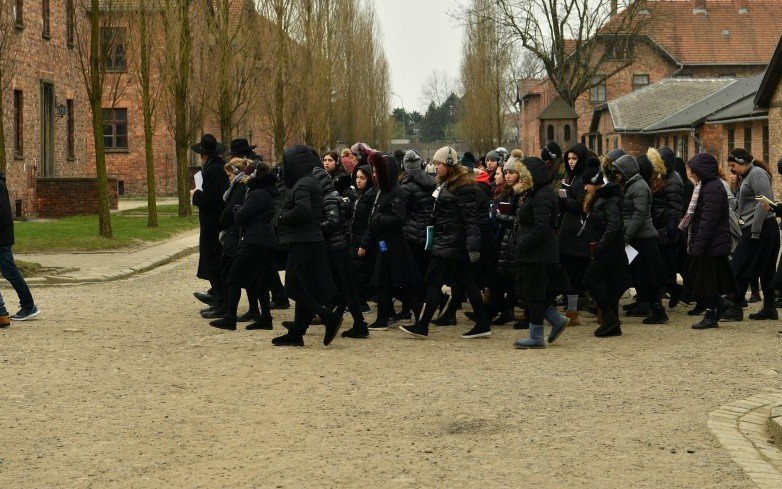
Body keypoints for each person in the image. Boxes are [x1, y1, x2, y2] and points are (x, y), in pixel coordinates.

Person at [400, 147, 489, 339]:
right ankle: (482, 323)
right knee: (467, 283)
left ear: (449, 164)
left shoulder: (462, 187)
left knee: (433, 282)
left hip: (451, 244)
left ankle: (422, 326)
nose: (435, 166)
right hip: (449, 242)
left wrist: (473, 246)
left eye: (439, 163)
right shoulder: (448, 185)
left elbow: (470, 219)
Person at [271, 145, 342, 347]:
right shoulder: (311, 180)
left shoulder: (303, 184)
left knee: (293, 287)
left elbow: (302, 210)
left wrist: (282, 218)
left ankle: (328, 317)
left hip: (303, 241)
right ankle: (297, 332)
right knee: (303, 288)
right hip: (311, 241)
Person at [209, 161, 278, 331]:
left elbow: (241, 217)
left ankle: (229, 317)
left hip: (253, 240)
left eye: (248, 175)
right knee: (260, 280)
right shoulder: (267, 192)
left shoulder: (257, 194)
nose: (245, 178)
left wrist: (237, 209)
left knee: (233, 278)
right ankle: (265, 317)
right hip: (265, 240)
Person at [359, 152, 422, 331]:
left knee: (395, 282)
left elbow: (399, 218)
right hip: (384, 243)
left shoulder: (396, 191)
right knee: (384, 281)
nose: (374, 175)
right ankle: (384, 317)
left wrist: (379, 219)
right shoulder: (382, 191)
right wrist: (366, 240)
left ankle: (401, 313)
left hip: (394, 245)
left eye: (377, 171)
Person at [513, 157, 571, 349]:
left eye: (524, 174)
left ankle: (536, 336)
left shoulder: (543, 195)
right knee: (533, 293)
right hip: (535, 252)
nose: (520, 177)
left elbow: (541, 227)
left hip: (539, 253)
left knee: (535, 295)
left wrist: (523, 243)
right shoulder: (536, 192)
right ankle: (556, 320)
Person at [679, 153, 736, 329]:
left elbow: (708, 222)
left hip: (711, 244)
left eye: (693, 170)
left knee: (707, 282)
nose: (691, 174)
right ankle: (719, 306)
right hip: (709, 243)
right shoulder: (706, 186)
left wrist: (698, 246)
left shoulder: (712, 188)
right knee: (705, 280)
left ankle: (712, 313)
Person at [721, 148, 779, 321]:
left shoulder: (757, 174)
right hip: (761, 228)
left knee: (740, 265)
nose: (731, 169)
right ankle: (769, 308)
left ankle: (736, 307)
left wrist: (754, 230)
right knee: (766, 269)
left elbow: (764, 203)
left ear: (741, 162)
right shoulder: (748, 175)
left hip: (761, 229)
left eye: (733, 165)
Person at [579, 160, 627, 337]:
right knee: (608, 285)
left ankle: (609, 318)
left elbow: (614, 225)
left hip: (609, 250)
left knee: (590, 280)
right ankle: (612, 323)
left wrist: (600, 246)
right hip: (605, 249)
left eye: (587, 184)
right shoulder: (600, 199)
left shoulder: (609, 199)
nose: (585, 188)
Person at [191, 134, 230, 314]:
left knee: (213, 262)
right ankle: (217, 299)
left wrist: (195, 195)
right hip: (216, 221)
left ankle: (220, 303)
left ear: (204, 155)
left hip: (212, 223)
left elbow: (209, 198)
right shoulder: (218, 167)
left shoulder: (212, 171)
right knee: (214, 262)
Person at [397, 150, 437, 323]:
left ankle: (413, 308)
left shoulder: (406, 186)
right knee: (423, 272)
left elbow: (401, 212)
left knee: (411, 275)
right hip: (427, 232)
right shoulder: (431, 182)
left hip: (411, 234)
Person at [0, 170, 40, 325]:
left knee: (11, 272)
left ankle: (26, 306)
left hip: (1, 238)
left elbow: (1, 212)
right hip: (3, 236)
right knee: (11, 272)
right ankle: (26, 306)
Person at [557, 144, 591, 326]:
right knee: (570, 276)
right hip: (569, 232)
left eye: (574, 158)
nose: (570, 162)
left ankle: (574, 311)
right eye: (569, 158)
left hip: (577, 235)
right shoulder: (573, 177)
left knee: (576, 277)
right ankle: (572, 310)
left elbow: (580, 205)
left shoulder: (584, 178)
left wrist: (562, 199)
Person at [344, 165, 376, 312]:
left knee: (360, 273)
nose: (358, 181)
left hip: (363, 241)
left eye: (362, 178)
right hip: (355, 238)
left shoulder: (370, 196)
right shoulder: (358, 195)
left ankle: (361, 303)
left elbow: (369, 222)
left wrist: (364, 243)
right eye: (357, 177)